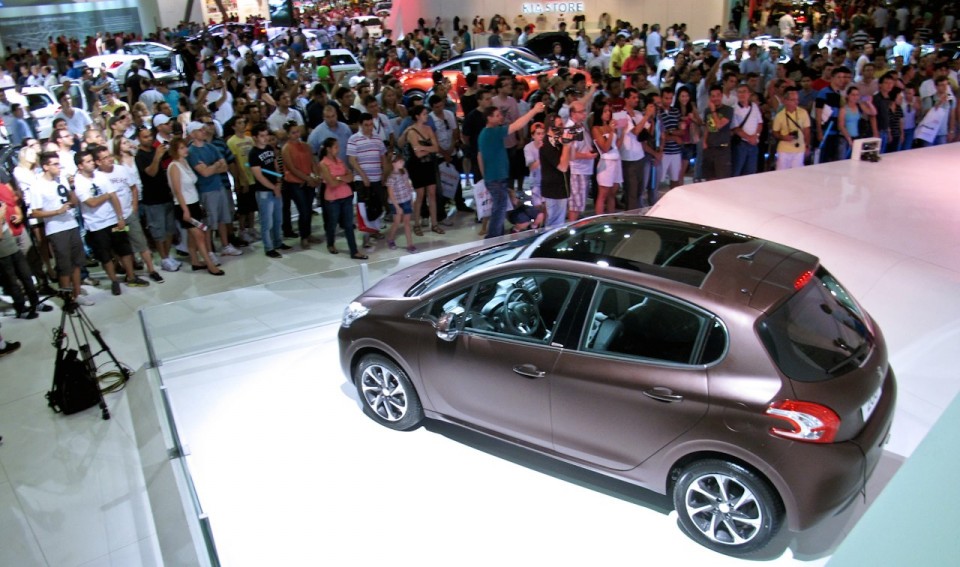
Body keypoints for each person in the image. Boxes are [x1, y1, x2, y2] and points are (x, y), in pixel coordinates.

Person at [72, 149, 148, 296]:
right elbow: (91, 203)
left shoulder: (101, 175)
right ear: (80, 166)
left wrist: (120, 217)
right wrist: (106, 196)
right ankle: (114, 281)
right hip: (96, 226)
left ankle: (131, 276)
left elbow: (114, 197)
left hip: (113, 220)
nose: (92, 163)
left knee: (124, 248)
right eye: (88, 161)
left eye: (92, 160)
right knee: (105, 255)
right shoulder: (79, 181)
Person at [477, 100, 545, 239]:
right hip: (496, 178)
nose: (500, 117)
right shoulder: (492, 132)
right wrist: (533, 111)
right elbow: (516, 125)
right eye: (497, 115)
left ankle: (497, 236)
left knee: (499, 209)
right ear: (489, 118)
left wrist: (486, 177)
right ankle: (493, 238)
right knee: (499, 210)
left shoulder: (486, 133)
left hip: (494, 178)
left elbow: (480, 156)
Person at [31, 152, 92, 305]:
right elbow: (35, 212)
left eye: (59, 164)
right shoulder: (37, 186)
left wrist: (71, 189)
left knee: (77, 262)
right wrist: (56, 212)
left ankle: (77, 293)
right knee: (64, 265)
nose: (59, 167)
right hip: (56, 228)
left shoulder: (62, 180)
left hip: (71, 223)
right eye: (55, 164)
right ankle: (67, 298)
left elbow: (73, 201)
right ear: (45, 166)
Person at [166, 137, 223, 275]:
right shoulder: (174, 166)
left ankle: (195, 261)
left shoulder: (184, 162)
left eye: (185, 147)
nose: (185, 150)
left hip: (194, 202)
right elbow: (177, 190)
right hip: (184, 206)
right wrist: (185, 210)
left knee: (194, 236)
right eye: (181, 148)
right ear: (175, 150)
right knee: (199, 236)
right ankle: (210, 264)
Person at [317, 137, 366, 260]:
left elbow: (350, 177)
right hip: (333, 198)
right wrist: (342, 178)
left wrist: (339, 178)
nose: (338, 149)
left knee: (349, 224)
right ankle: (330, 242)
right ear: (328, 149)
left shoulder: (339, 161)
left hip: (346, 196)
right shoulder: (323, 164)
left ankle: (354, 251)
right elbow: (331, 183)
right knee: (332, 223)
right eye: (335, 147)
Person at [247, 123, 288, 259]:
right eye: (262, 136)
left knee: (278, 219)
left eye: (266, 135)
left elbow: (275, 165)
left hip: (275, 187)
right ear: (255, 138)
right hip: (264, 191)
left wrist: (279, 181)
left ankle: (278, 242)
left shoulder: (270, 148)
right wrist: (273, 187)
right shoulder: (253, 154)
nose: (265, 138)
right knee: (267, 221)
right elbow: (258, 175)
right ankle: (268, 247)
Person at [400, 106, 441, 236]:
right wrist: (429, 148)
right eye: (424, 113)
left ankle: (434, 223)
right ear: (417, 116)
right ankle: (416, 224)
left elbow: (436, 148)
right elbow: (417, 153)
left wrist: (424, 148)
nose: (426, 115)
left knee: (432, 193)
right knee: (420, 194)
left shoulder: (428, 129)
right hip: (416, 166)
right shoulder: (411, 131)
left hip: (429, 164)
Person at [539, 113, 573, 228]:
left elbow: (569, 159)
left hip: (561, 188)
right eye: (560, 125)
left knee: (559, 222)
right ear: (551, 128)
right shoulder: (546, 145)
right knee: (554, 224)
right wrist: (567, 146)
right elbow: (563, 166)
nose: (563, 128)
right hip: (553, 190)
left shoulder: (558, 142)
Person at [564, 99, 595, 221]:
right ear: (573, 113)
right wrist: (586, 156)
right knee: (575, 206)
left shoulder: (580, 125)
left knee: (579, 204)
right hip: (576, 170)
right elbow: (570, 154)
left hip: (584, 169)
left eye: (585, 111)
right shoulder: (570, 129)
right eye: (581, 112)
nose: (584, 114)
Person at [591, 103, 623, 215]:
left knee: (612, 194)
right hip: (606, 162)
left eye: (609, 111)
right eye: (605, 111)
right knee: (603, 194)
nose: (608, 113)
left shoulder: (610, 127)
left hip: (616, 160)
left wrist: (622, 132)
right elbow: (605, 147)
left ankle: (611, 217)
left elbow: (617, 146)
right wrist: (610, 131)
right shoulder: (596, 129)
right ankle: (599, 219)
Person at [772, 86, 812, 170]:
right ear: (785, 101)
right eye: (793, 100)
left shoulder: (803, 112)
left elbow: (807, 130)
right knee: (781, 173)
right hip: (784, 149)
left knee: (797, 174)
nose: (796, 102)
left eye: (797, 99)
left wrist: (807, 145)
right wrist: (783, 137)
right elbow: (775, 132)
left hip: (799, 148)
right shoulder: (780, 115)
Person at [384, 155, 417, 253]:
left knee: (407, 222)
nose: (402, 163)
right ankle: (390, 239)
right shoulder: (391, 177)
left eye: (402, 161)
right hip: (396, 202)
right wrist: (397, 206)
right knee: (397, 222)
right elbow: (391, 193)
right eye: (399, 162)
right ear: (393, 163)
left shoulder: (404, 171)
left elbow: (407, 184)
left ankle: (410, 244)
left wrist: (411, 196)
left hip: (406, 199)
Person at [731, 84, 764, 177]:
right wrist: (749, 138)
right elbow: (735, 128)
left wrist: (756, 136)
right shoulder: (734, 109)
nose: (742, 94)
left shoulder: (754, 106)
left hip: (754, 144)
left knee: (751, 171)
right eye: (739, 92)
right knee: (736, 170)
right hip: (741, 144)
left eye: (744, 91)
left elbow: (760, 123)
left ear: (749, 94)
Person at [701, 84, 733, 181]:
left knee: (722, 179)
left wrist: (713, 111)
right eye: (713, 96)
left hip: (722, 149)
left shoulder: (728, 110)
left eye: (718, 95)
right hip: (710, 148)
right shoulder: (707, 111)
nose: (716, 98)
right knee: (709, 177)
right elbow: (707, 126)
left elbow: (719, 125)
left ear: (721, 95)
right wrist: (704, 141)